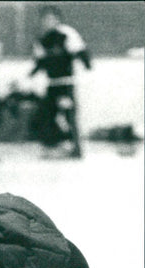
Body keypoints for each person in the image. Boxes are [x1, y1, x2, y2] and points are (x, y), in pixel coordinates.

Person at [30, 5, 92, 159]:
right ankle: (53, 146)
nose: (47, 22)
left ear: (57, 20)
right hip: (52, 84)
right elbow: (40, 62)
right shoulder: (42, 39)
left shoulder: (67, 34)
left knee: (70, 116)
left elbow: (81, 52)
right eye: (44, 19)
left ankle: (77, 149)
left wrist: (88, 66)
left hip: (66, 83)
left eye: (51, 19)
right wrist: (30, 75)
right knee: (47, 115)